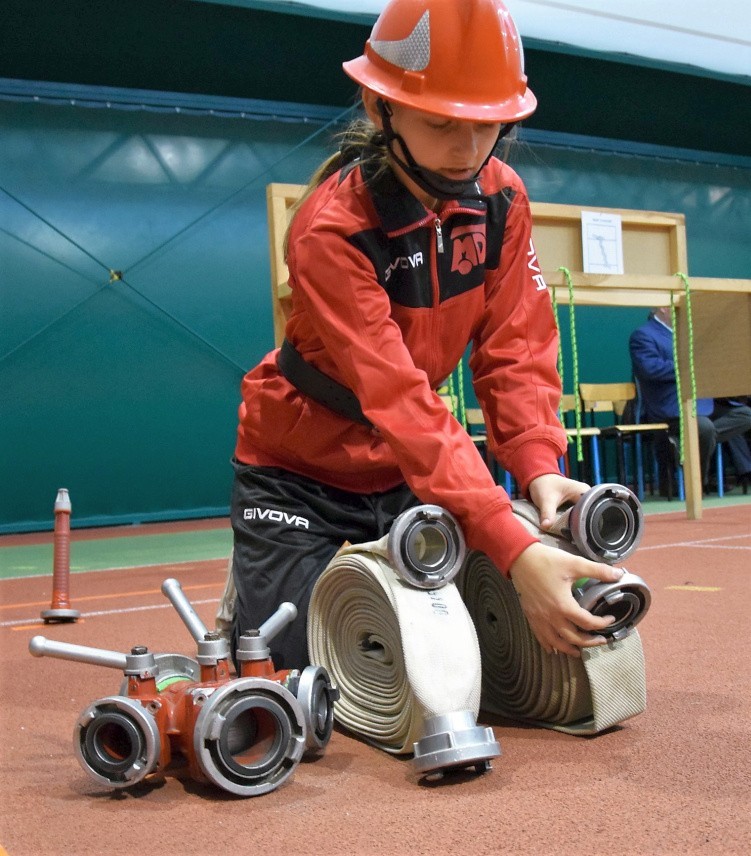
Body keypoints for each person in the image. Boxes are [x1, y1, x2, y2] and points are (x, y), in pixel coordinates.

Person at [225, 0, 624, 670]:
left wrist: (537, 466)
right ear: (381, 110)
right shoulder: (332, 230)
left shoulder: (502, 199)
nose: (468, 150)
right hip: (297, 473)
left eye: (488, 125)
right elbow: (397, 397)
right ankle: (257, 588)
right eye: (442, 124)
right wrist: (510, 543)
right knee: (295, 682)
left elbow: (516, 348)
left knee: (471, 662)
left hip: (410, 472)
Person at [630, 307, 751, 491]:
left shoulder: (688, 333)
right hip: (670, 407)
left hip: (701, 402)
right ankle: (696, 485)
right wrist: (689, 367)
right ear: (663, 308)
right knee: (704, 428)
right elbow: (649, 369)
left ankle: (683, 446)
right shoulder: (643, 335)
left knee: (745, 414)